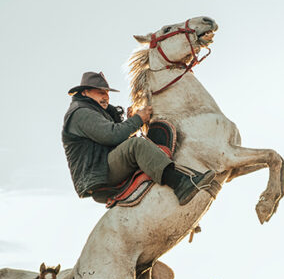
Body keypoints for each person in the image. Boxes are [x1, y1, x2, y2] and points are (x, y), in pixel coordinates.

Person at [61, 71, 215, 205]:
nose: (106, 97)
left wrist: (129, 121)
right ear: (85, 92)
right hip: (99, 171)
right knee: (136, 145)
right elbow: (112, 135)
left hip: (103, 165)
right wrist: (138, 119)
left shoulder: (95, 111)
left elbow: (113, 138)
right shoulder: (81, 113)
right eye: (100, 92)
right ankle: (181, 185)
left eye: (107, 93)